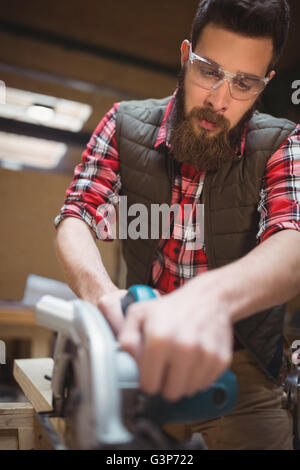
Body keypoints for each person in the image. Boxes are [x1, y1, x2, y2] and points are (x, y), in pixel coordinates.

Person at [54, 0, 300, 450]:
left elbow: (293, 241)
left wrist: (206, 301)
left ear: (265, 83)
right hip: (139, 356)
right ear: (186, 57)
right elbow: (77, 215)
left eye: (244, 83)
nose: (219, 100)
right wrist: (103, 297)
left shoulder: (284, 142)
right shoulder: (123, 123)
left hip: (241, 372)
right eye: (209, 71)